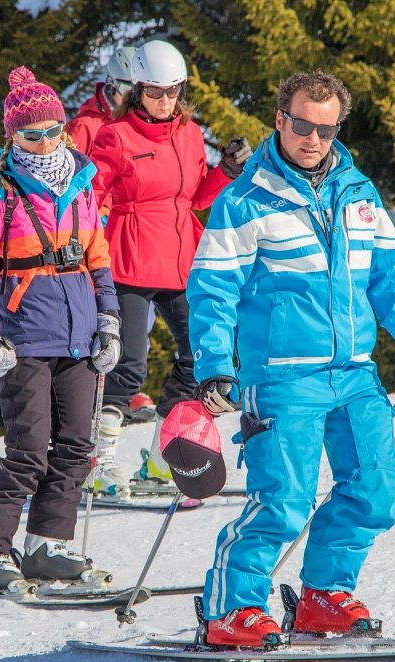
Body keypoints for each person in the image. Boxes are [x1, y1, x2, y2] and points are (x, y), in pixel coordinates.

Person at [186, 70, 395, 647]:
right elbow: (212, 291)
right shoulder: (243, 201)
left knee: (376, 490)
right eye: (303, 124)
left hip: (355, 373)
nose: (313, 138)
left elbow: (391, 278)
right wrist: (214, 366)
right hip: (282, 377)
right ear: (281, 120)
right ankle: (233, 609)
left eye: (325, 128)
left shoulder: (359, 192)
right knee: (283, 501)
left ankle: (323, 596)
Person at [0, 66, 122, 590]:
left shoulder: (80, 181)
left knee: (75, 445)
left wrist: (110, 318)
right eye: (31, 133)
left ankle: (48, 546)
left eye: (52, 130)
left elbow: (98, 254)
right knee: (28, 451)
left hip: (79, 333)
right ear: (13, 135)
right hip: (23, 336)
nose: (44, 142)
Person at [88, 39, 252, 498]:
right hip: (131, 259)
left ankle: (163, 460)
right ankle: (99, 463)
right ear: (137, 90)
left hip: (183, 261)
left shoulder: (188, 133)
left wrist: (227, 171)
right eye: (155, 92)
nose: (165, 101)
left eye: (173, 92)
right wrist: (86, 249)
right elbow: (92, 196)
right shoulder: (115, 137)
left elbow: (197, 197)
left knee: (198, 357)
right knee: (127, 366)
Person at [66, 46, 158, 425]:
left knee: (139, 317)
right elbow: (73, 185)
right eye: (129, 91)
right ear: (112, 87)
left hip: (130, 235)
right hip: (95, 235)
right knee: (98, 312)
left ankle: (125, 385)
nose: (134, 100)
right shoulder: (86, 127)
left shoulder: (140, 126)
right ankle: (91, 387)